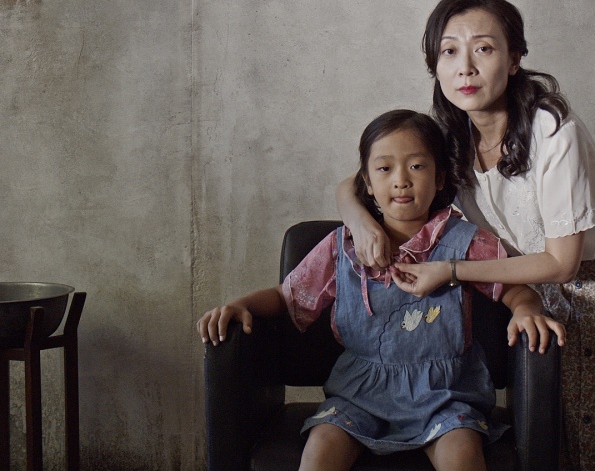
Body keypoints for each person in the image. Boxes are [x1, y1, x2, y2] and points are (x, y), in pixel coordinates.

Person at [336, 0, 595, 470]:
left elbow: (562, 262)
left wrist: (452, 270)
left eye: (483, 48)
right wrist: (360, 222)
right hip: (545, 283)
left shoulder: (551, 128)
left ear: (514, 58)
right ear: (435, 65)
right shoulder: (450, 134)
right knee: (568, 429)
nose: (465, 68)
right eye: (449, 51)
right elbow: (353, 183)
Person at [198, 109, 565, 471]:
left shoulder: (464, 241)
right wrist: (241, 304)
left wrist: (526, 311)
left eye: (416, 166)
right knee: (321, 448)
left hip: (446, 396)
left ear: (440, 177)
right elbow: (287, 296)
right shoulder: (343, 246)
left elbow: (517, 290)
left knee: (462, 453)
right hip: (358, 396)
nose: (401, 180)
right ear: (368, 183)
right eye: (385, 168)